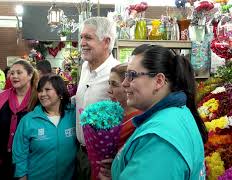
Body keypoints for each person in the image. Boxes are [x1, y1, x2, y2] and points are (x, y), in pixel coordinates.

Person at [111, 44, 207, 180]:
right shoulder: (176, 113)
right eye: (126, 75)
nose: (124, 83)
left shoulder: (160, 140)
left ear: (159, 81)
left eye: (132, 75)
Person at [75, 16, 120, 179]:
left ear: (106, 41)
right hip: (80, 153)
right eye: (81, 37)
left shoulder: (117, 75)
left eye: (88, 37)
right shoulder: (85, 68)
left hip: (104, 161)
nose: (82, 43)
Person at [12, 75, 77, 180]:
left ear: (60, 93)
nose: (42, 94)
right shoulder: (28, 120)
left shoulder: (73, 115)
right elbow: (19, 154)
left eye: (47, 90)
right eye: (40, 91)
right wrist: (22, 176)